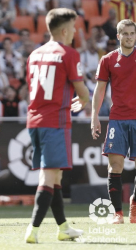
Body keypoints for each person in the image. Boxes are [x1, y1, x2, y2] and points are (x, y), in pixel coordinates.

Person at [24, 8, 89, 243]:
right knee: (48, 178)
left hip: (34, 121)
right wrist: (82, 101)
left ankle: (63, 228)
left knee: (56, 177)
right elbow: (83, 92)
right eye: (73, 28)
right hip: (56, 122)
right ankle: (33, 229)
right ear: (64, 30)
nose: (74, 32)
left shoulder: (34, 54)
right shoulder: (69, 54)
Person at [92, 19, 136, 224]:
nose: (129, 37)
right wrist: (94, 116)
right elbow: (99, 91)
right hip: (117, 119)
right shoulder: (108, 60)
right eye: (125, 33)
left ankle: (134, 203)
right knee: (114, 167)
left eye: (132, 33)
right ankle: (117, 213)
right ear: (118, 36)